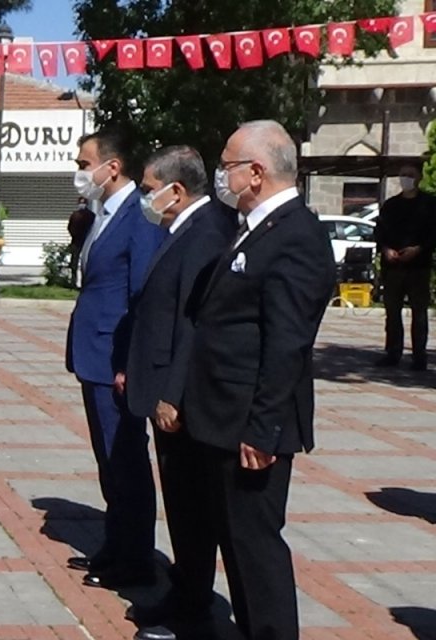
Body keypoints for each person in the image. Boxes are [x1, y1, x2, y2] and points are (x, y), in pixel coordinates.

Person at [180, 120, 336, 640]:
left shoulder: (296, 235)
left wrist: (263, 429)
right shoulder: (257, 228)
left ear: (255, 172)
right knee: (234, 543)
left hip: (251, 424)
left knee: (256, 548)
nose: (221, 177)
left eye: (226, 166)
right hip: (223, 416)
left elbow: (287, 344)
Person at [120, 146, 232, 640]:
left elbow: (194, 322)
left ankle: (192, 603)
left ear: (176, 190)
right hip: (159, 383)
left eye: (149, 189)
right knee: (180, 502)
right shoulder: (180, 227)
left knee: (190, 506)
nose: (146, 198)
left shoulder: (206, 232)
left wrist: (172, 393)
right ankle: (184, 590)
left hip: (179, 397)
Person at [63, 129, 166, 590]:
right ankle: (115, 544)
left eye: (85, 164)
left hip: (114, 356)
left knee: (126, 459)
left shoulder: (138, 215)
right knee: (108, 458)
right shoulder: (100, 213)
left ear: (112, 166)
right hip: (93, 353)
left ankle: (137, 558)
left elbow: (139, 293)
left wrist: (131, 362)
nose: (80, 173)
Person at [374, 161, 436, 371]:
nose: (405, 179)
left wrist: (418, 249)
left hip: (419, 266)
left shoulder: (429, 205)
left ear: (418, 177)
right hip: (393, 267)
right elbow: (379, 231)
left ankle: (419, 356)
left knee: (419, 312)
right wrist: (386, 249)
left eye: (409, 174)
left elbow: (433, 234)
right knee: (392, 311)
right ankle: (393, 352)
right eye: (402, 174)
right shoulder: (391, 205)